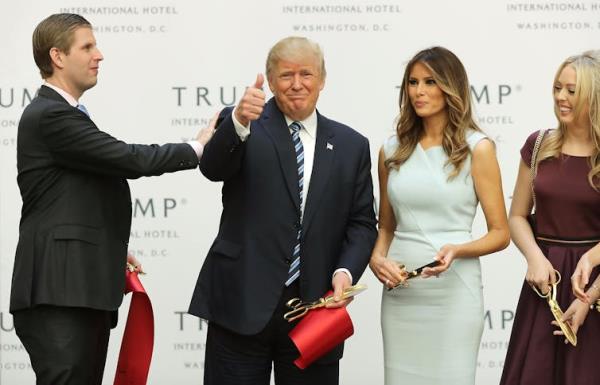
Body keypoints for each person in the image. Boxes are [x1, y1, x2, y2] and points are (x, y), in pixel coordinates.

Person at [10, 13, 215, 385]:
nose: (99, 55)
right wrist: (197, 147)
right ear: (57, 56)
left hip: (78, 290)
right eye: (87, 47)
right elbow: (128, 158)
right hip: (61, 293)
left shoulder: (63, 116)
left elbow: (72, 198)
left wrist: (109, 248)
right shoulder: (50, 115)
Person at [188, 36, 377, 385]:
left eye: (306, 74)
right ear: (270, 81)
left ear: (322, 79)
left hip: (315, 310)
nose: (296, 84)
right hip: (241, 302)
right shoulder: (243, 123)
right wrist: (238, 124)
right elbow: (213, 169)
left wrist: (345, 273)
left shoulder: (352, 145)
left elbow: (362, 223)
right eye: (286, 75)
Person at [368, 46, 509, 385]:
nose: (419, 91)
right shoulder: (390, 150)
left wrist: (457, 250)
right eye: (413, 82)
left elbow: (500, 233)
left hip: (454, 293)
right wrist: (376, 258)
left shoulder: (478, 148)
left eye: (430, 82)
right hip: (401, 291)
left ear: (450, 87)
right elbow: (386, 226)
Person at [501, 50, 600, 385]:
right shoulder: (539, 144)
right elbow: (516, 216)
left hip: (593, 284)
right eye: (558, 87)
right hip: (545, 284)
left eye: (572, 90)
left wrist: (591, 297)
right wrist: (534, 259)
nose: (561, 96)